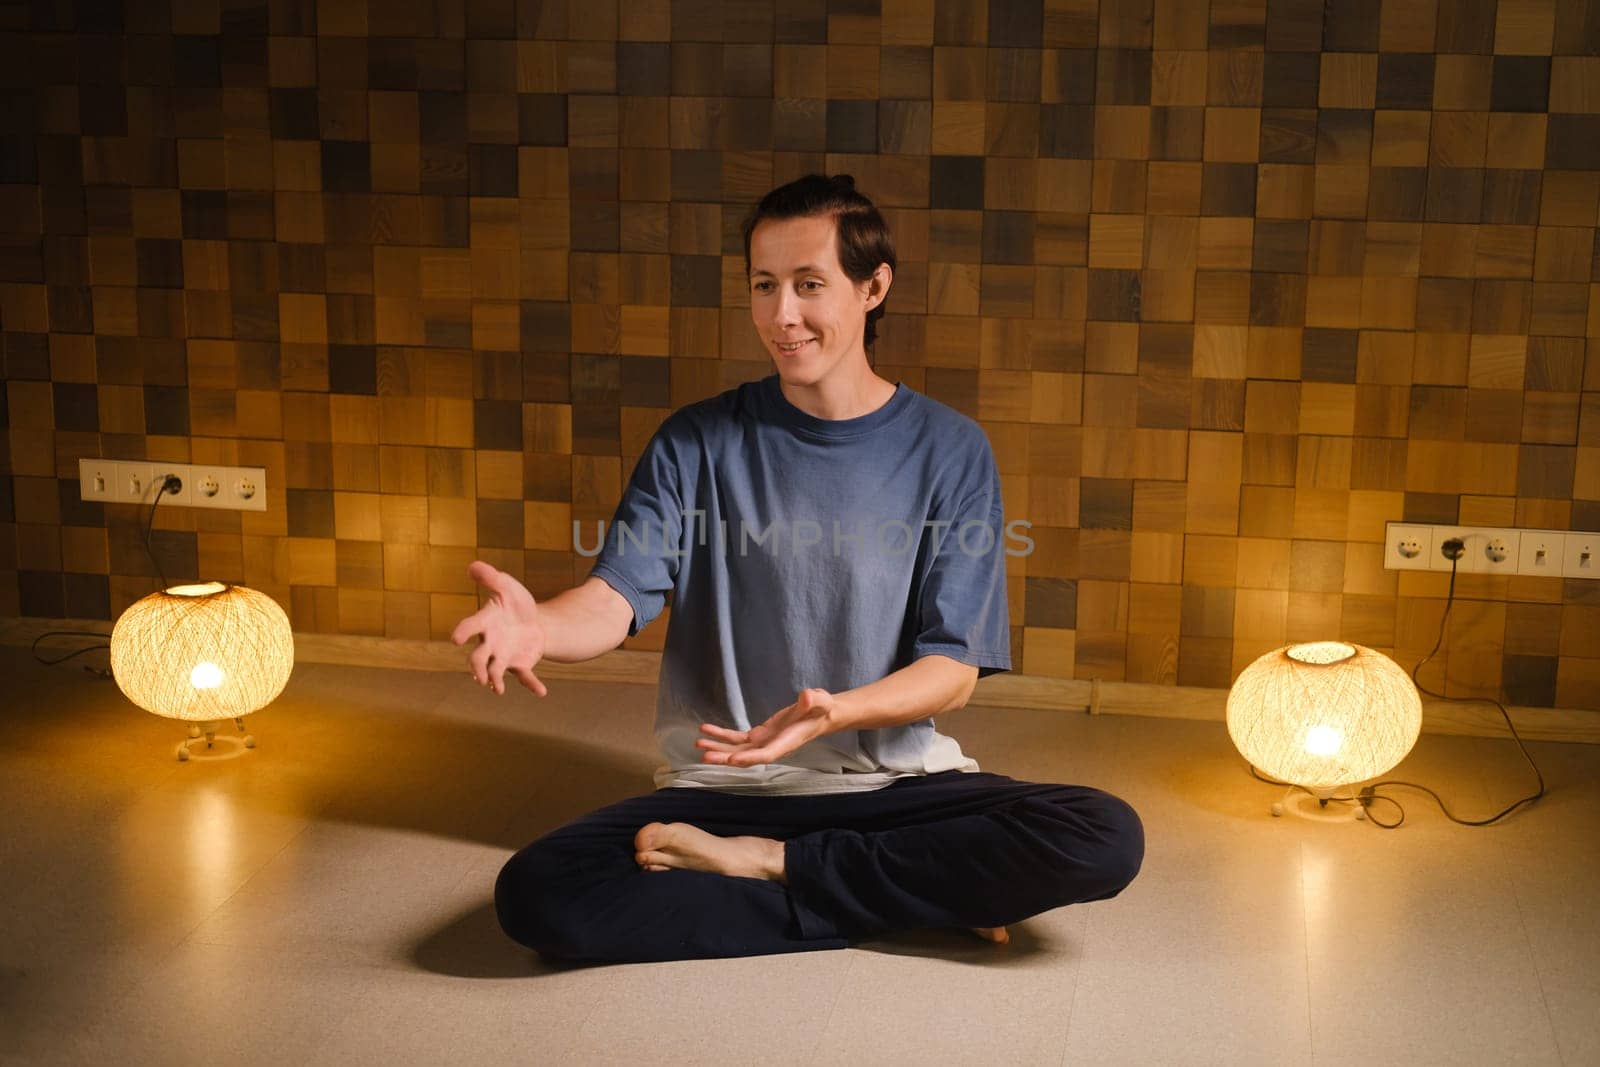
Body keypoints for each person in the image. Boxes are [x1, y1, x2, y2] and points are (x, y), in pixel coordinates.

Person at [451, 174, 1144, 965]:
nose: (782, 315)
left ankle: (771, 868)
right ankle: (908, 892)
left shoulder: (950, 450)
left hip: (896, 793)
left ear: (873, 287)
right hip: (720, 796)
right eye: (764, 285)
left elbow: (952, 670)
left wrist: (835, 712)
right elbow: (614, 597)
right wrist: (536, 623)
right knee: (538, 895)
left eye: (809, 285)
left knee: (1104, 833)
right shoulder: (695, 442)